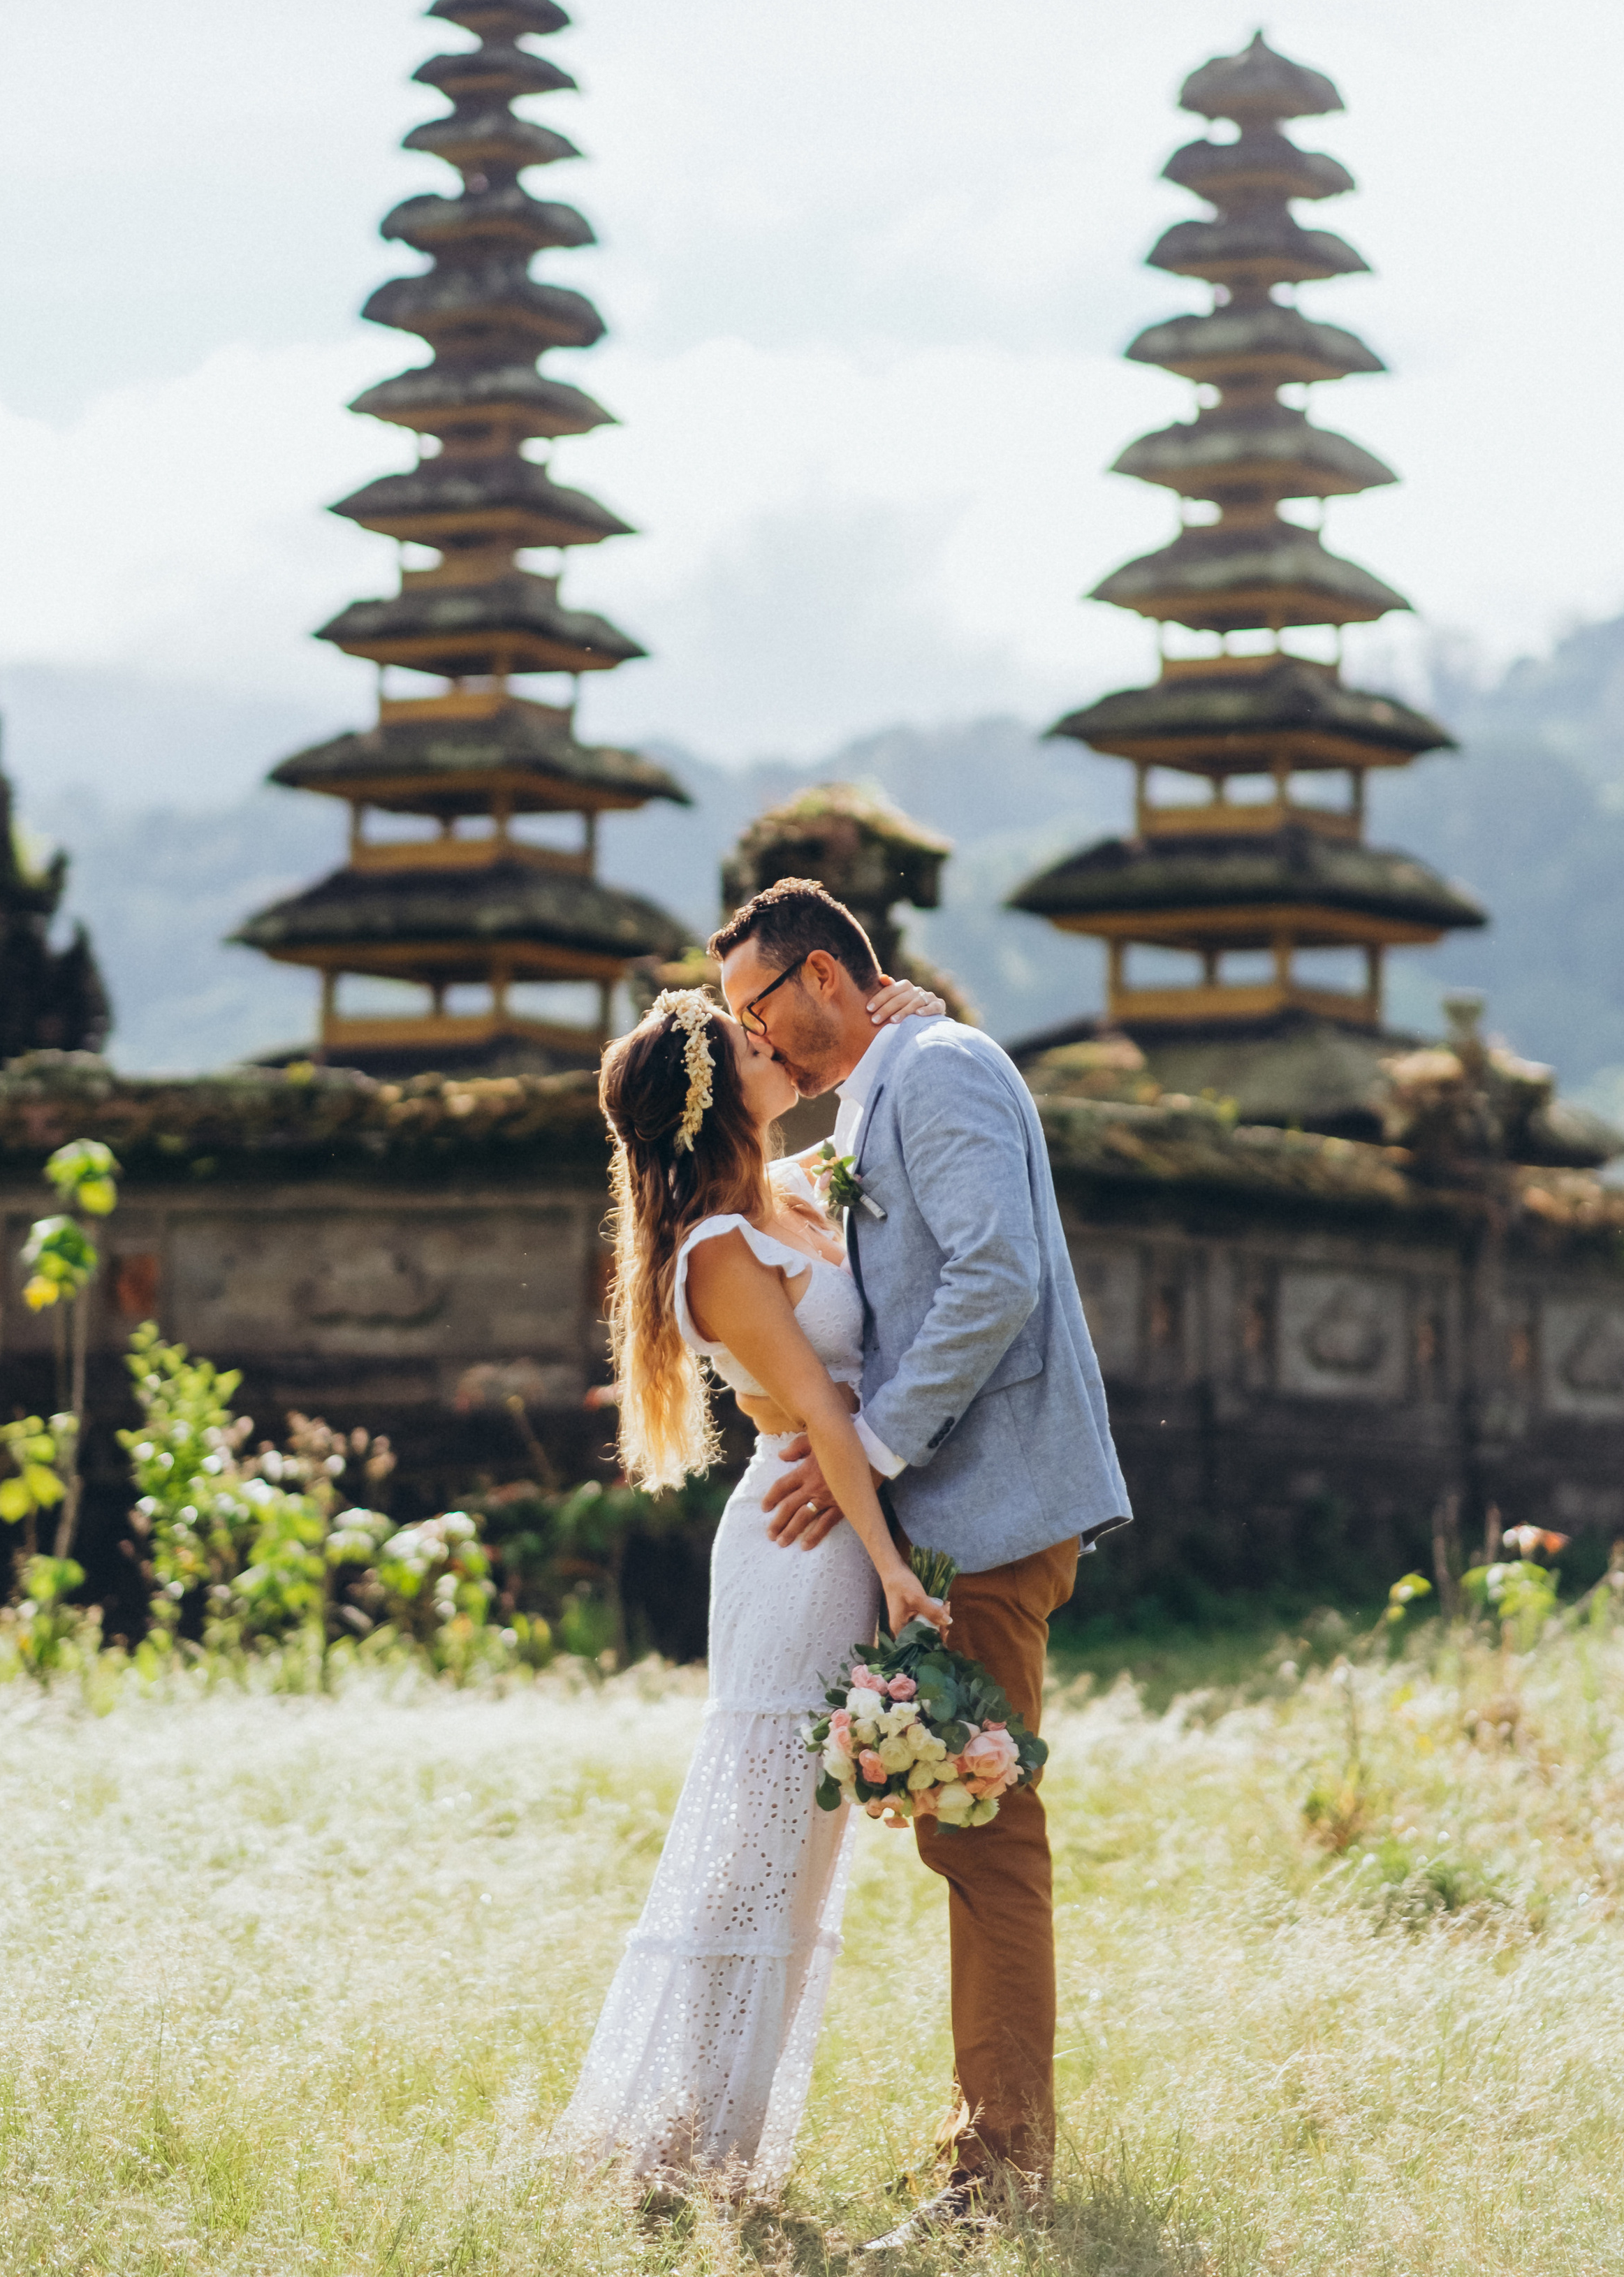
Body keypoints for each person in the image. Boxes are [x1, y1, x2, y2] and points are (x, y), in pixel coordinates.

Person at [710, 878, 1130, 2246]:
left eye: (756, 1011)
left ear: (824, 975)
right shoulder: (898, 1079)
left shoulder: (935, 1070)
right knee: (965, 1832)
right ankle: (986, 2144)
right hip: (962, 1517)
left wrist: (874, 1449)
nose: (754, 1043)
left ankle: (998, 2177)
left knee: (986, 1838)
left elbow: (993, 1274)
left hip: (991, 1512)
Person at [550, 972, 951, 2195]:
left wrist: (912, 1030)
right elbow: (823, 1404)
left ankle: (722, 2145)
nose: (776, 1040)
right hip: (800, 1546)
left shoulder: (780, 1196)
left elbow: (871, 1143)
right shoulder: (720, 1252)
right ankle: (679, 2142)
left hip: (836, 1517)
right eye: (750, 1040)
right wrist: (891, 1567)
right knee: (758, 1847)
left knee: (802, 1851)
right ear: (720, 1092)